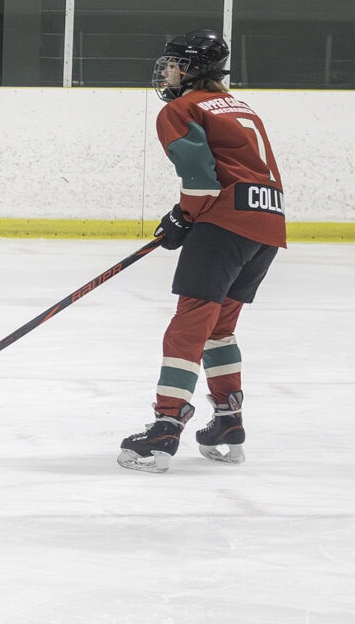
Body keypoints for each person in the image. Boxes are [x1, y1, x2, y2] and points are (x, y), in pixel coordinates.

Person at [117, 30, 284, 473]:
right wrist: (187, 217)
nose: (167, 70)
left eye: (173, 63)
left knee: (187, 328)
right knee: (219, 328)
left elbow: (203, 180)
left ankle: (165, 426)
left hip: (225, 224)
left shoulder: (181, 108)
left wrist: (184, 216)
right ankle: (229, 422)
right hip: (268, 225)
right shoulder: (237, 105)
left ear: (191, 69)